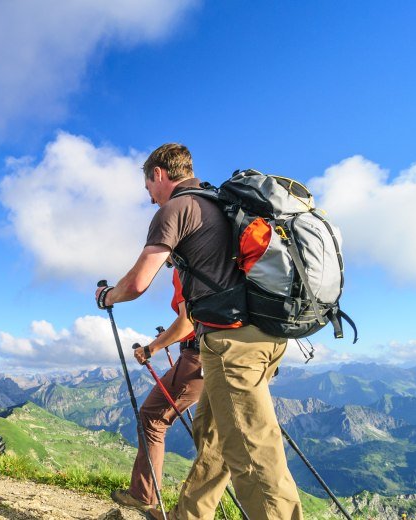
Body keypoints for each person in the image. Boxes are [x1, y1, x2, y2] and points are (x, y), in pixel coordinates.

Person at [94, 143, 302, 520]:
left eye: (148, 190)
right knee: (216, 439)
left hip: (231, 343)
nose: (151, 200)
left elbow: (139, 282)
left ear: (158, 174)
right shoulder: (220, 204)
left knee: (253, 457)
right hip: (266, 335)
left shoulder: (176, 208)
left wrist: (108, 295)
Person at [111, 269, 203, 513]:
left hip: (199, 357)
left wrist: (152, 348)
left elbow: (187, 321)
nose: (167, 263)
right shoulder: (217, 259)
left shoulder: (187, 265)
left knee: (152, 417)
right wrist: (171, 339)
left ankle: (143, 494)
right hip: (225, 354)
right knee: (220, 440)